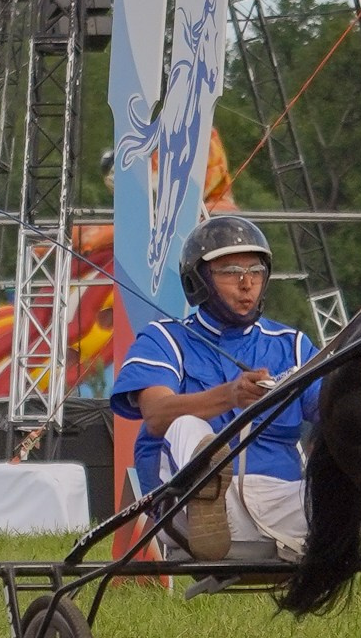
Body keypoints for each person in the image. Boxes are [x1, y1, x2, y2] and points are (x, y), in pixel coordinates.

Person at [109, 215, 320, 562]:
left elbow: (337, 411)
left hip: (285, 505)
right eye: (230, 271)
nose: (247, 283)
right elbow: (156, 415)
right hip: (186, 508)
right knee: (186, 425)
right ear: (199, 281)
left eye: (256, 271)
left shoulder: (293, 344)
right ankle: (208, 501)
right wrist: (230, 396)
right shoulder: (164, 338)